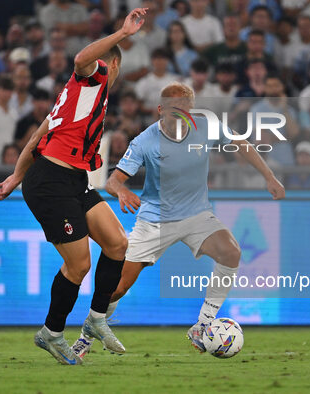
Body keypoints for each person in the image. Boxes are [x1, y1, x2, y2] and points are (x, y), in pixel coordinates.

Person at [71, 82, 285, 358]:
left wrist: (268, 177)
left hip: (196, 215)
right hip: (155, 220)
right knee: (116, 289)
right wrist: (122, 191)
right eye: (173, 110)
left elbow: (241, 144)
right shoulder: (145, 141)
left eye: (184, 109)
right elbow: (113, 180)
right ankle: (86, 336)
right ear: (160, 110)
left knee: (231, 253)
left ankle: (203, 325)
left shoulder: (207, 125)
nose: (179, 115)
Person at [0, 8, 148, 366]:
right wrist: (122, 33)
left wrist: (15, 177)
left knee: (117, 242)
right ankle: (52, 332)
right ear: (110, 65)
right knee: (79, 265)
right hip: (50, 183)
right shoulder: (90, 78)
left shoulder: (75, 98)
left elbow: (37, 137)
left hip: (73, 180)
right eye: (112, 68)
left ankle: (95, 321)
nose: (113, 75)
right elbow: (81, 58)